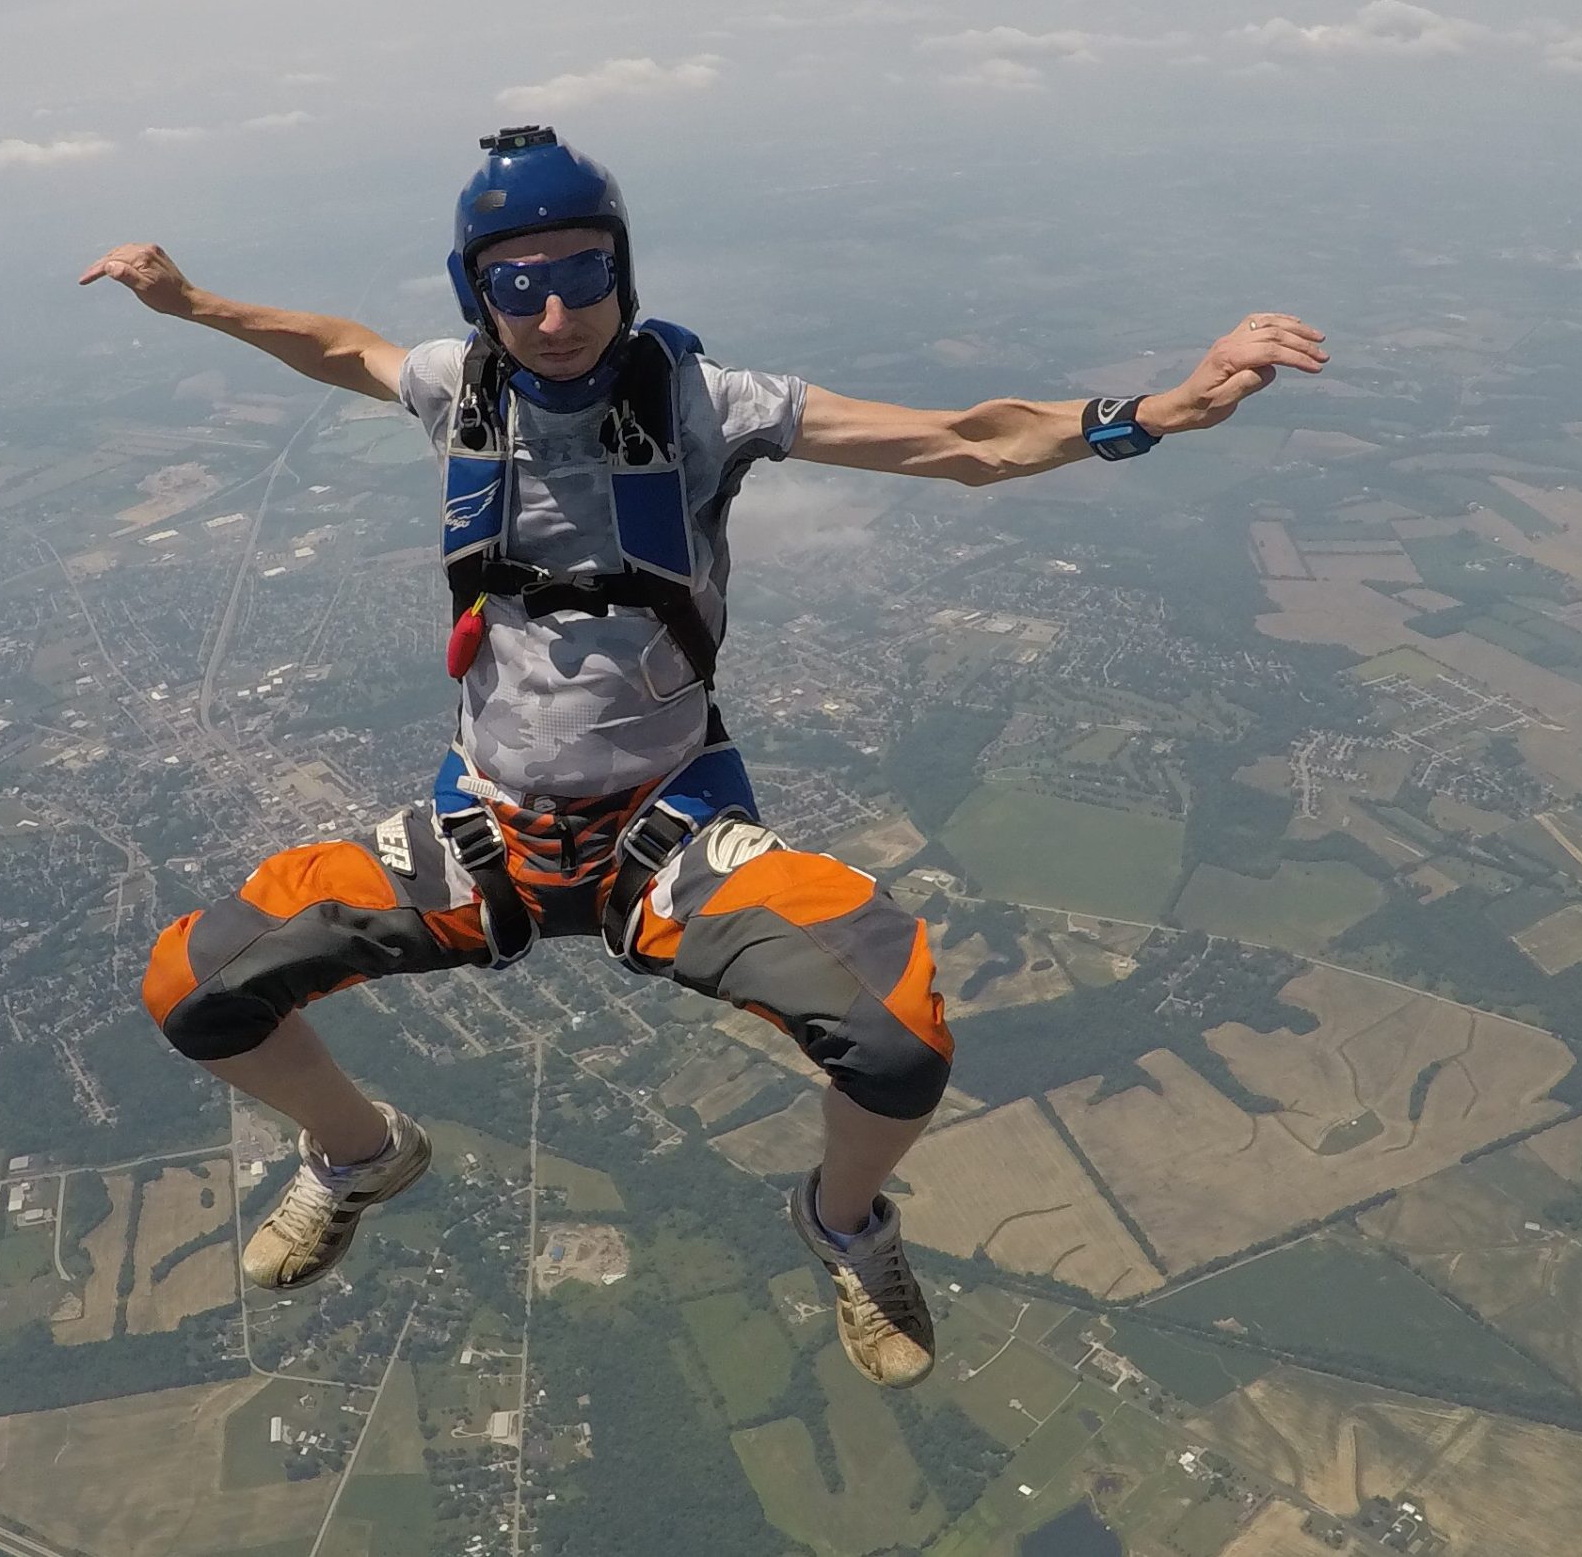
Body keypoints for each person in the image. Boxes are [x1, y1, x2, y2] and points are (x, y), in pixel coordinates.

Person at [79, 126, 1324, 1389]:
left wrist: (1157, 412)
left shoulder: (705, 403)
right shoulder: (457, 388)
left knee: (897, 1041)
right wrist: (193, 305)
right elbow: (343, 347)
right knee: (195, 989)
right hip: (487, 828)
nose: (559, 311)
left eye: (586, 273)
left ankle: (845, 1227)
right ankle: (360, 1155)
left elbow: (965, 443)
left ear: (625, 270)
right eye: (519, 285)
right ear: (477, 294)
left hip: (661, 831)